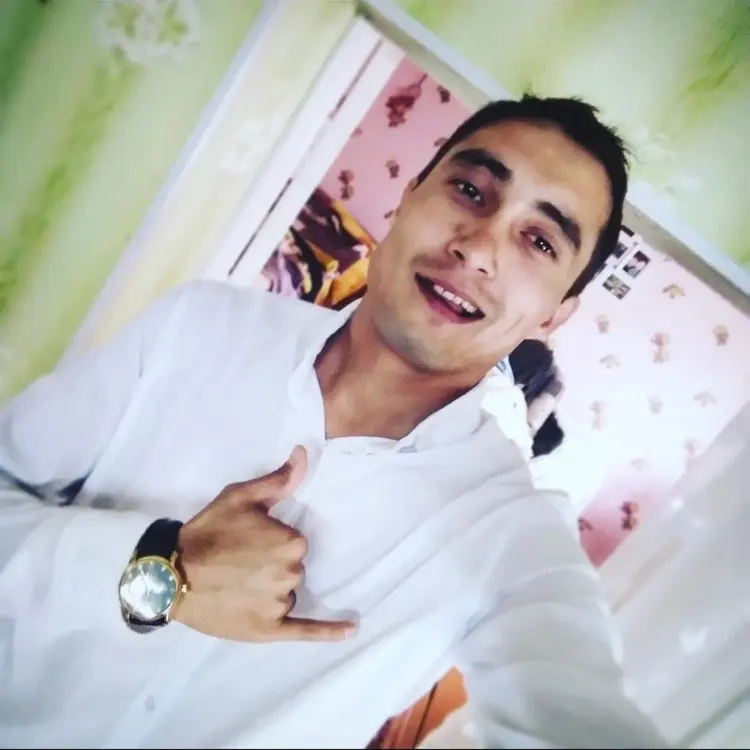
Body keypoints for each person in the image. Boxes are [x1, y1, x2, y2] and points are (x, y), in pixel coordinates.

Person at [0, 96, 667, 748]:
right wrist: (158, 566)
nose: (480, 248)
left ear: (555, 314)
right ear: (409, 195)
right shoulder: (196, 325)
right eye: (470, 189)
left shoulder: (512, 534)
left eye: (539, 241)